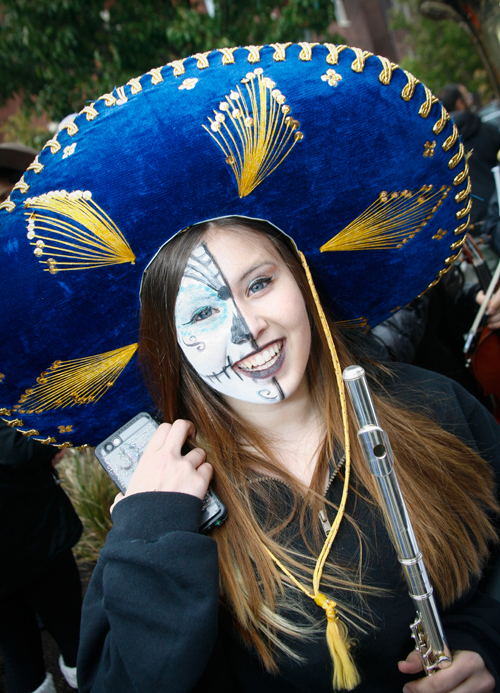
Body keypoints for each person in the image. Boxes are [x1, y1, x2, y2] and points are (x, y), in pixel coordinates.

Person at [0, 44, 499, 692]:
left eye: (260, 283)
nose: (247, 326)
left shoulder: (434, 406)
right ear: (169, 344)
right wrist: (152, 530)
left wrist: (482, 643)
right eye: (203, 313)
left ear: (302, 280)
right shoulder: (170, 506)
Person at [0, 421, 82, 693]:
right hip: (29, 534)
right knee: (74, 633)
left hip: (24, 531)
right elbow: (15, 447)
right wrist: (51, 441)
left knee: (17, 655)